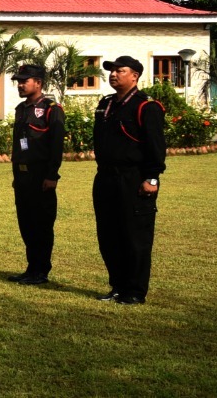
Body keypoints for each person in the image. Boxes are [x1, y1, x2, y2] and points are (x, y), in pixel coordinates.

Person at [92, 56, 166, 305]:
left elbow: (156, 146)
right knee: (109, 234)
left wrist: (152, 178)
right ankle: (117, 285)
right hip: (105, 177)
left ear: (134, 76)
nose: (113, 74)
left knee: (134, 236)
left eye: (119, 70)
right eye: (111, 71)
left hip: (133, 178)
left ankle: (134, 290)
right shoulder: (106, 104)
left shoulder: (146, 106)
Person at [10, 64, 66, 285]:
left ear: (38, 83)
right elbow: (19, 143)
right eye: (19, 81)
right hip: (23, 176)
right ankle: (31, 268)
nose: (21, 85)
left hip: (41, 175)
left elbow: (56, 145)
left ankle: (41, 271)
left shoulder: (52, 109)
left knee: (42, 224)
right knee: (26, 223)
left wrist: (52, 175)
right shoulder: (21, 109)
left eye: (25, 81)